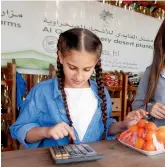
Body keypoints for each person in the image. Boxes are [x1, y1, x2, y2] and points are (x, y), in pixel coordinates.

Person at [10, 28, 146, 148]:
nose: (79, 77)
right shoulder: (42, 92)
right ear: (61, 57)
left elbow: (104, 127)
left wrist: (123, 124)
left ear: (95, 64)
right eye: (72, 67)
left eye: (87, 69)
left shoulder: (101, 92)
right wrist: (47, 131)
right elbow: (20, 130)